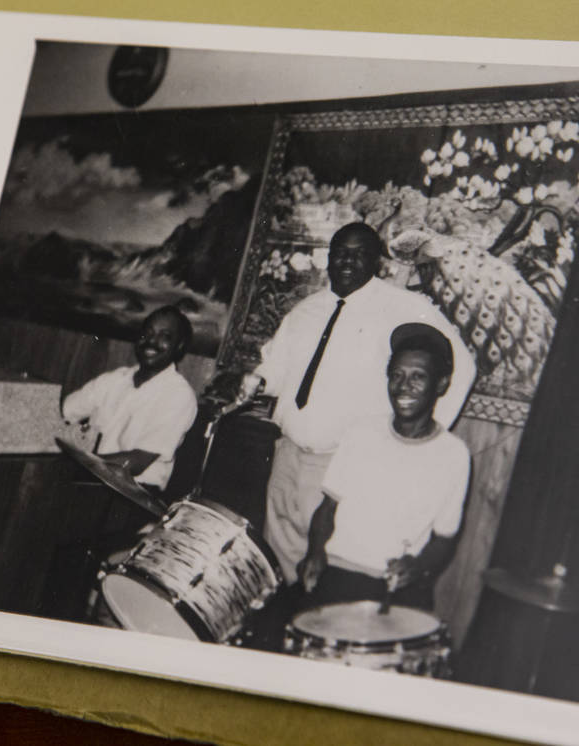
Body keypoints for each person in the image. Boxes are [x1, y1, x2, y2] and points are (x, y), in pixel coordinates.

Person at [247, 222, 475, 584]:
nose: (347, 261)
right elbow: (276, 365)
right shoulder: (306, 310)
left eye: (359, 254)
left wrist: (424, 434)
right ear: (328, 257)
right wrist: (257, 380)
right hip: (287, 454)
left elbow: (461, 363)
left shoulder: (402, 307)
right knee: (276, 566)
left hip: (338, 466)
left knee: (321, 571)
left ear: (377, 262)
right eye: (340, 252)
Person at [295, 323, 471, 610]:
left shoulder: (453, 455)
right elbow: (327, 509)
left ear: (441, 384)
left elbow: (444, 540)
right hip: (337, 572)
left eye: (418, 377)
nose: (404, 386)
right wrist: (314, 552)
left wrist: (417, 567)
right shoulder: (361, 432)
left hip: (394, 585)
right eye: (397, 375)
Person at [62, 305, 198, 492]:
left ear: (179, 347)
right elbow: (65, 412)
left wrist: (75, 462)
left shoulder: (179, 396)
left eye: (165, 336)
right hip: (89, 478)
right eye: (147, 333)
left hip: (133, 493)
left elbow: (136, 463)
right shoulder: (113, 380)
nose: (151, 341)